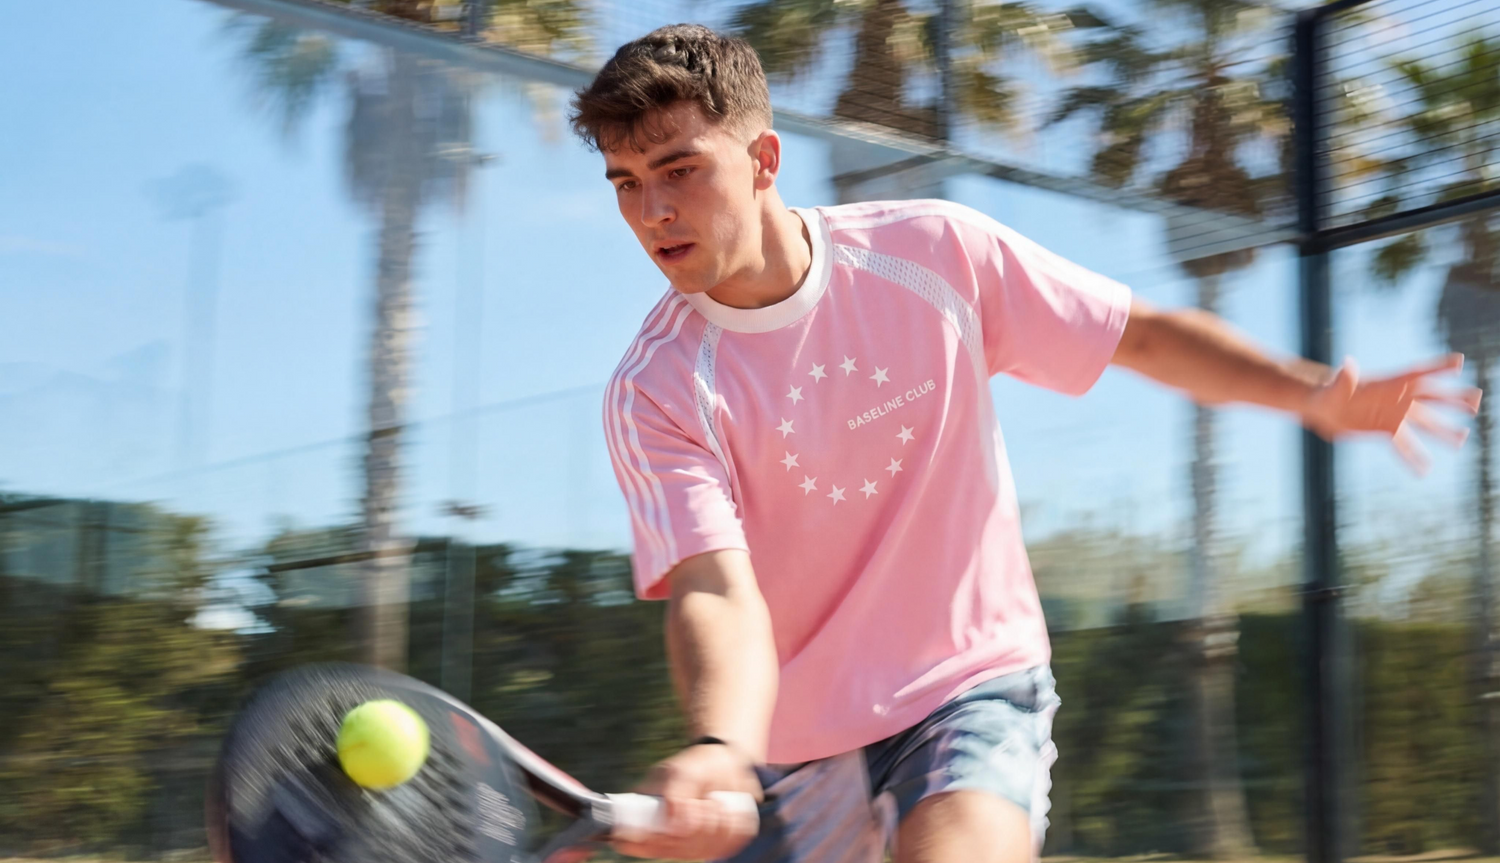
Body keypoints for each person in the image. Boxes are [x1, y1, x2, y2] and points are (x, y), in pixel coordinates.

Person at [569, 23, 1480, 863]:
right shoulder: (654, 389)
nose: (653, 210)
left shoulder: (933, 252)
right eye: (626, 183)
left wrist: (1312, 392)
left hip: (968, 683)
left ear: (764, 159)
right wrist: (722, 745)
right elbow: (715, 587)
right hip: (792, 742)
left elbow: (1140, 336)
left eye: (679, 169)